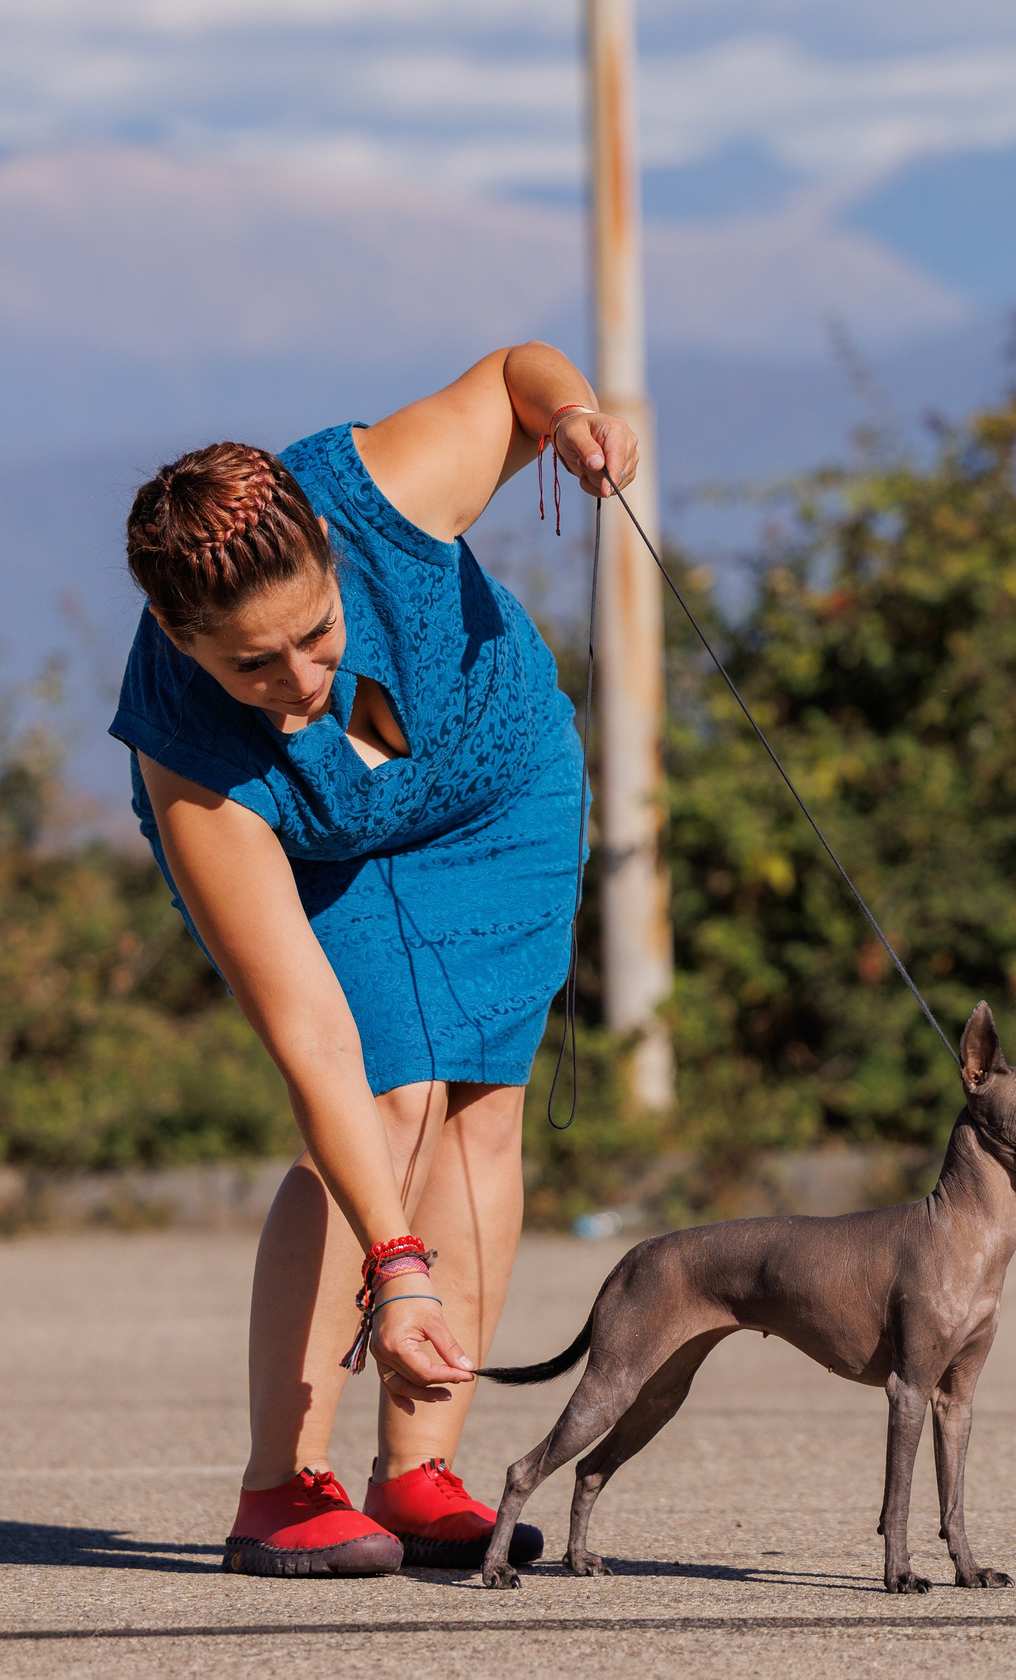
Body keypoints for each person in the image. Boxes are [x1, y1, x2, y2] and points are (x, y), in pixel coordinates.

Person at [108, 343, 638, 1577]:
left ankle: (419, 1472)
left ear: (334, 561)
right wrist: (395, 1270)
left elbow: (518, 370)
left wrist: (573, 419)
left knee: (481, 1112)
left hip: (494, 786)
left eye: (316, 634)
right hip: (314, 841)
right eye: (251, 663)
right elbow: (311, 1035)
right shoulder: (190, 751)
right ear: (180, 643)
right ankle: (281, 1488)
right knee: (388, 1095)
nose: (297, 681)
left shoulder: (383, 488)